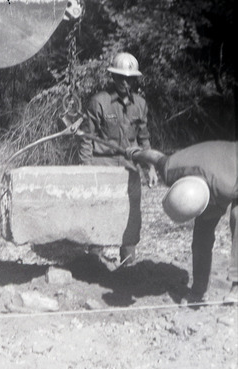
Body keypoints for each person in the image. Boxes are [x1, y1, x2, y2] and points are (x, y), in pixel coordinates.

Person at [129, 141, 238, 305]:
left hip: (231, 168)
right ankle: (199, 290)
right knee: (202, 232)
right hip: (211, 171)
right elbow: (156, 156)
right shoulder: (170, 171)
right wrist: (135, 154)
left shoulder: (227, 186)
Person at [78, 52, 158, 265]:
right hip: (102, 164)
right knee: (98, 210)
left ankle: (128, 261)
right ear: (112, 77)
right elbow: (86, 137)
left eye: (130, 78)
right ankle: (94, 260)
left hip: (129, 166)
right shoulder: (99, 102)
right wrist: (86, 169)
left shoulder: (140, 104)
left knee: (131, 213)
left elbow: (144, 138)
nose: (125, 82)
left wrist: (150, 166)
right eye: (121, 77)